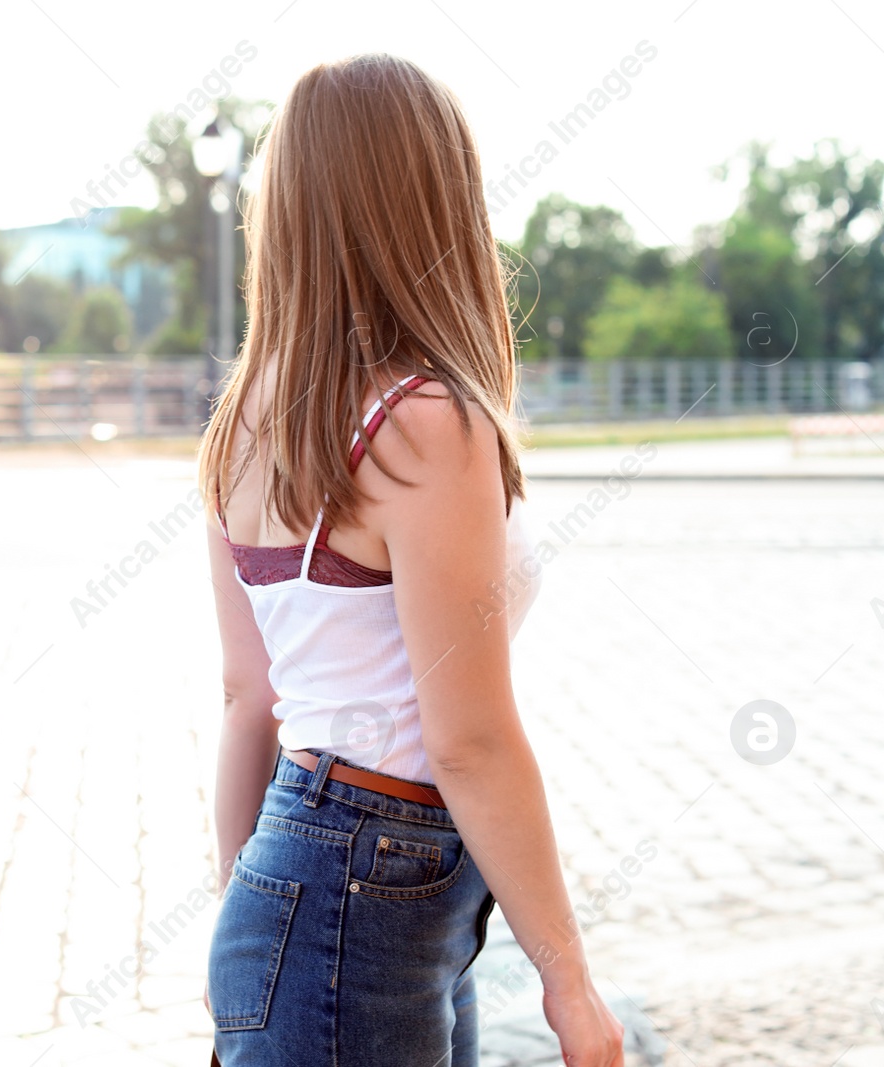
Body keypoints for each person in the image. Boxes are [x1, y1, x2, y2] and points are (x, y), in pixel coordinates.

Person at [197, 54, 625, 1067]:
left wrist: (244, 915)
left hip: (316, 876)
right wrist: (568, 981)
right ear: (436, 199)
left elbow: (245, 701)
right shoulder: (424, 422)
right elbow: (467, 738)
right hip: (369, 885)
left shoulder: (241, 426)